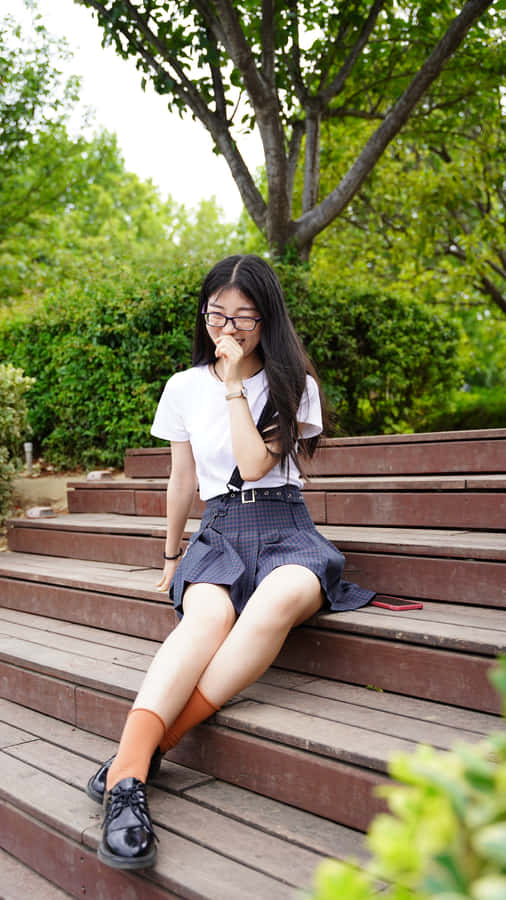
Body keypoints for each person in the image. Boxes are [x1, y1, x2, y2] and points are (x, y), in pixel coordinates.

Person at [86, 254, 375, 870]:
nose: (230, 329)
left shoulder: (296, 381)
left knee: (276, 599)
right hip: (219, 530)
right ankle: (130, 784)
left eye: (245, 316)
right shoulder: (182, 387)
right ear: (205, 314)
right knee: (206, 619)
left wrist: (237, 387)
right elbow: (183, 477)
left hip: (286, 528)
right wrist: (171, 556)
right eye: (219, 314)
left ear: (267, 319)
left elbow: (255, 465)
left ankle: (134, 760)